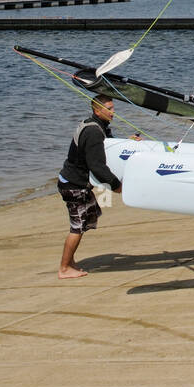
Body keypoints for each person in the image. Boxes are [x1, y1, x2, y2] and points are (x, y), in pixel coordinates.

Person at [56, 96, 122, 279]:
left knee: (87, 220)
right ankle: (64, 268)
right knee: (77, 227)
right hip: (73, 185)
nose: (113, 112)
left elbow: (107, 144)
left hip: (71, 181)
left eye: (113, 108)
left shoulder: (94, 124)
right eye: (109, 108)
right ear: (97, 110)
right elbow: (97, 166)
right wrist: (117, 186)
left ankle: (69, 262)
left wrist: (128, 142)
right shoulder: (93, 132)